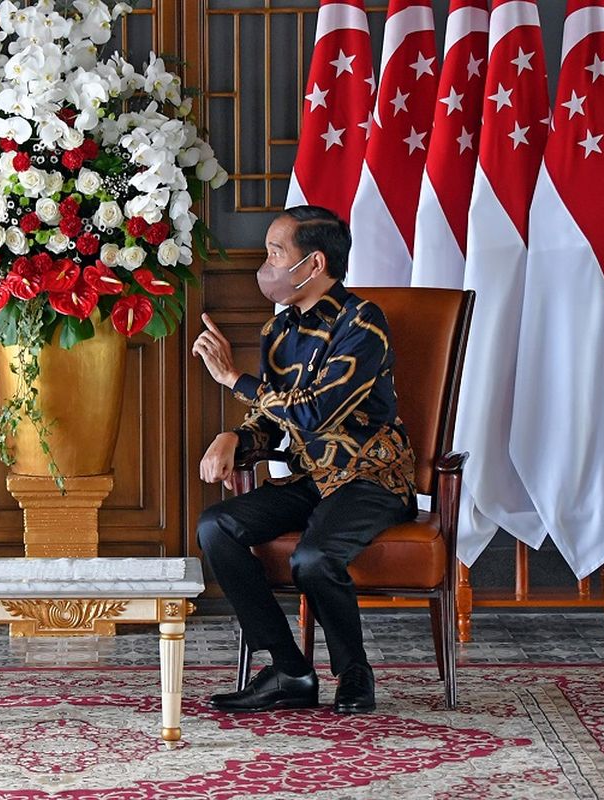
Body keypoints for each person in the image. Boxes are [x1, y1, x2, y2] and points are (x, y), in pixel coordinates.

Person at [192, 205, 416, 715]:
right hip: (312, 478)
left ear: (312, 264)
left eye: (275, 253)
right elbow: (276, 421)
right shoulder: (279, 333)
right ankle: (289, 670)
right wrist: (237, 438)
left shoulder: (364, 324)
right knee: (216, 527)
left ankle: (354, 673)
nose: (265, 264)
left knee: (312, 559)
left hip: (370, 478)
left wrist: (234, 381)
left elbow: (316, 412)